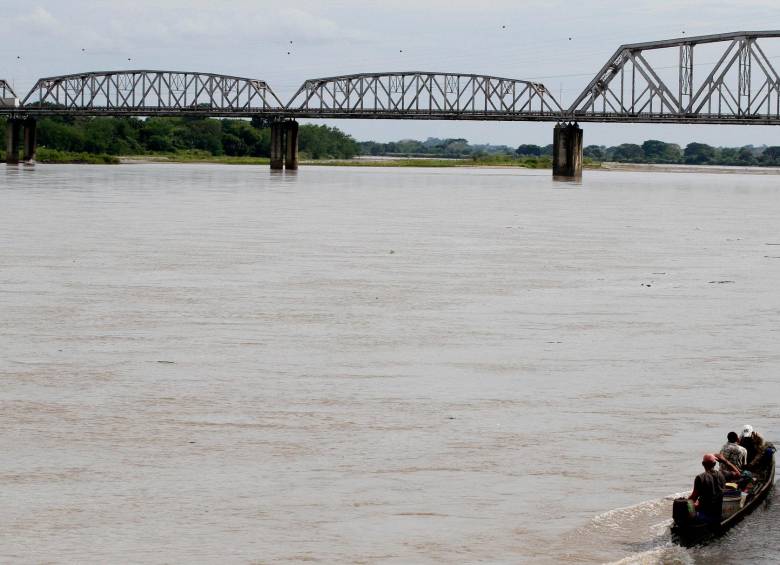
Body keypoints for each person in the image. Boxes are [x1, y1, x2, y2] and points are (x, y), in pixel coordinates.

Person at [688, 453, 726, 524]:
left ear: (703, 464)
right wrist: (725, 461)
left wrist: (686, 502)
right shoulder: (722, 474)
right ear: (715, 464)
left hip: (704, 517)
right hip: (718, 514)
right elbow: (737, 473)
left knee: (686, 504)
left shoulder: (700, 478)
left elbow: (693, 498)